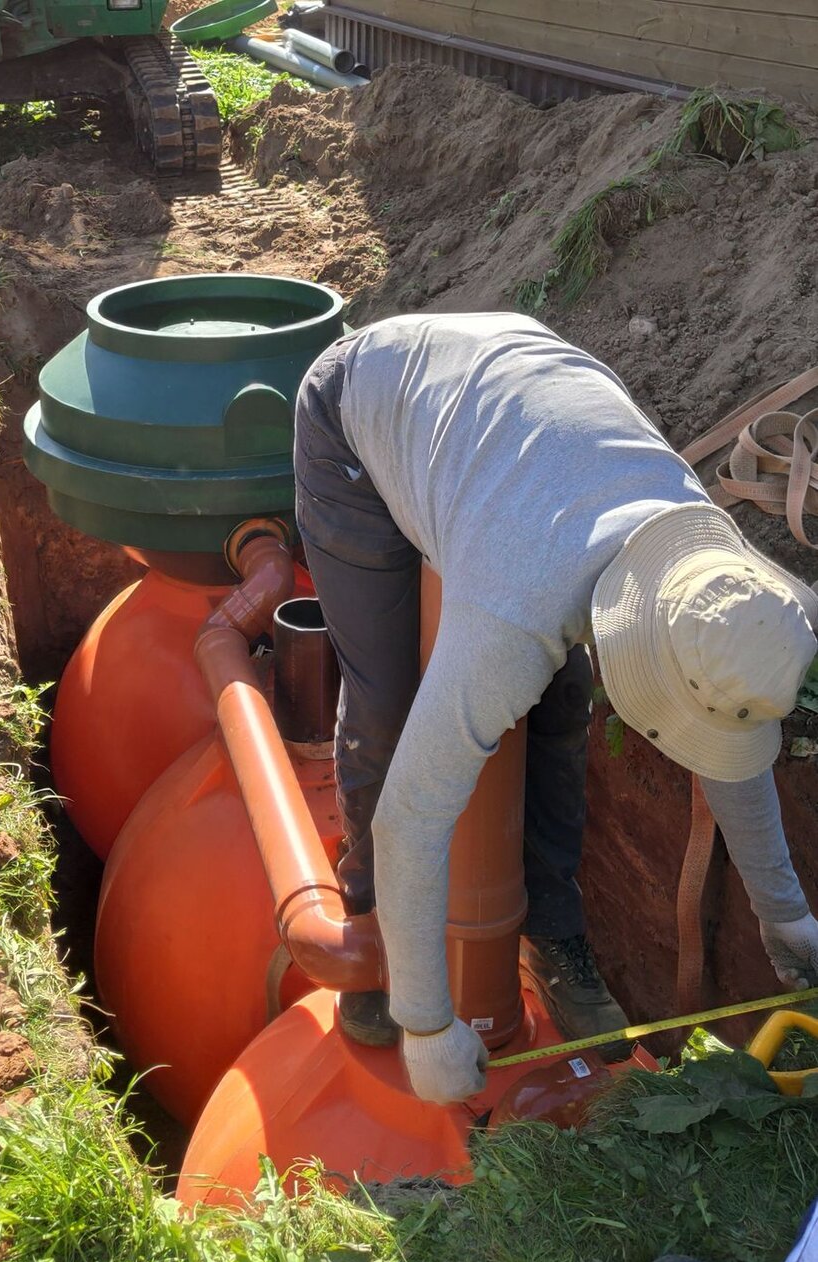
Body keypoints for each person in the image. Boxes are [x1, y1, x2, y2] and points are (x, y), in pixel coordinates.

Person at [293, 312, 818, 1105]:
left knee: (561, 696)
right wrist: (429, 1024)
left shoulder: (723, 583)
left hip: (525, 423)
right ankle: (373, 936)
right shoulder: (515, 609)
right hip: (361, 417)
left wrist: (785, 917)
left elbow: (730, 729)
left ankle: (552, 926)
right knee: (392, 707)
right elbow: (414, 816)